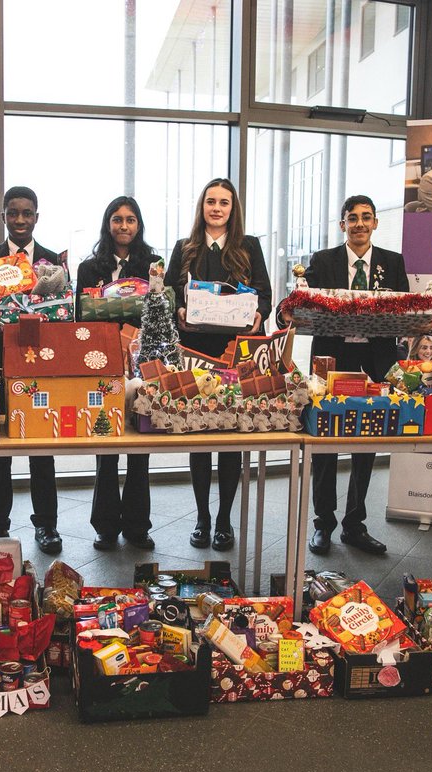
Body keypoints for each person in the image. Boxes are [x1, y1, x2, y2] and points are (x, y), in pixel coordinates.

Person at [282, 194, 407, 557]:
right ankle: (323, 524)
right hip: (331, 361)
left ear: (376, 223)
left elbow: (405, 307)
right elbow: (298, 300)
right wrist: (285, 313)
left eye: (366, 217)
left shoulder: (393, 262)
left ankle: (355, 525)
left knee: (366, 444)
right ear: (342, 225)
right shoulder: (323, 261)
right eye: (353, 218)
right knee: (324, 445)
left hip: (375, 361)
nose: (360, 224)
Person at [166, 178, 271, 552]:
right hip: (196, 351)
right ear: (202, 206)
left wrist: (259, 314)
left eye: (224, 202)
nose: (216, 208)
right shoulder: (185, 248)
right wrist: (179, 310)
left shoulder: (249, 246)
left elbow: (265, 293)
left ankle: (224, 519)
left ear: (232, 209)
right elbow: (170, 292)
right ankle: (202, 518)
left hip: (235, 352)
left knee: (230, 438)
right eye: (210, 201)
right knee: (200, 437)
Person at [0, 186, 64, 555]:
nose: (20, 219)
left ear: (37, 216)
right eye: (13, 213)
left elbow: (63, 313)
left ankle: (47, 525)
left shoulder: (54, 261)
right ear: (3, 217)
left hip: (41, 365)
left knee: (42, 448)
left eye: (27, 213)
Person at [76, 196, 157, 552]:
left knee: (142, 446)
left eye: (130, 219)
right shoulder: (89, 268)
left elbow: (158, 311)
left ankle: (138, 526)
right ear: (108, 224)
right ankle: (106, 526)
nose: (124, 226)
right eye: (117, 219)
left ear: (139, 225)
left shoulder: (152, 265)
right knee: (105, 444)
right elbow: (81, 316)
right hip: (102, 361)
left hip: (143, 361)